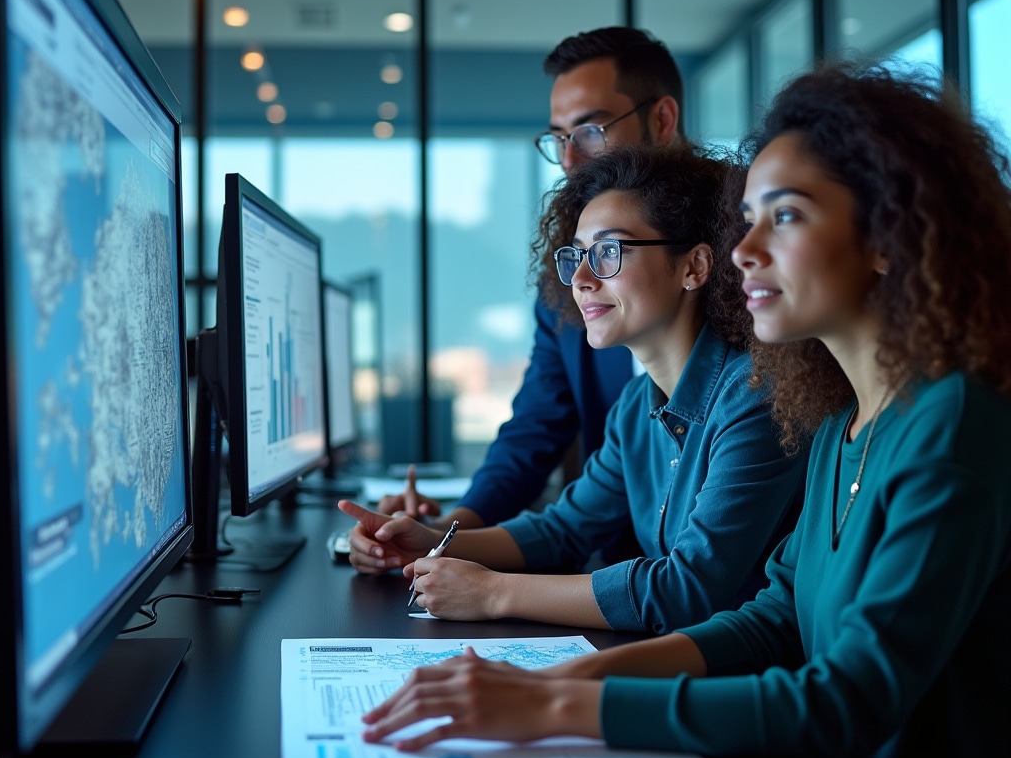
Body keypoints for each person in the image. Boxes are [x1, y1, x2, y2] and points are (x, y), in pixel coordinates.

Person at [356, 63, 1011, 758]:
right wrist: (570, 677)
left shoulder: (951, 422)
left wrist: (559, 701)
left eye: (787, 216)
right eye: (750, 217)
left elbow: (845, 703)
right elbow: (775, 620)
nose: (745, 249)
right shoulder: (840, 418)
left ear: (888, 235)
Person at [340, 146, 805, 634]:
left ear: (694, 267)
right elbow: (563, 530)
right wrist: (429, 540)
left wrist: (493, 593)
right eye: (577, 256)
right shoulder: (635, 408)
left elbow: (684, 589)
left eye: (608, 252)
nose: (580, 279)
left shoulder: (756, 399)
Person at [378, 27, 685, 535]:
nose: (569, 160)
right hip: (606, 565)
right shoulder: (568, 280)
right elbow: (533, 430)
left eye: (591, 131)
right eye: (559, 138)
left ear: (662, 119)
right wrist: (444, 533)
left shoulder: (746, 267)